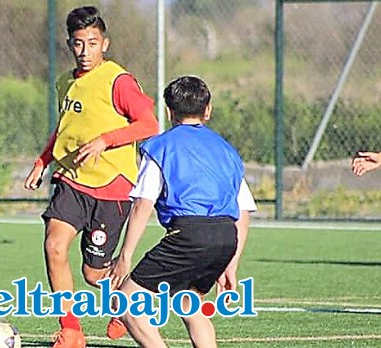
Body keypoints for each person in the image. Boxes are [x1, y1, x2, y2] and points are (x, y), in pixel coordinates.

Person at [23, 6, 158, 348]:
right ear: (69, 44)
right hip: (72, 181)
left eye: (92, 43)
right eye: (79, 44)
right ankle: (71, 331)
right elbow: (65, 126)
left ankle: (126, 302)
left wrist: (105, 140)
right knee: (54, 246)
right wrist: (43, 159)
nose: (85, 52)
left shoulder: (118, 81)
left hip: (112, 187)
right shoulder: (64, 82)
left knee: (93, 273)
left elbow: (149, 124)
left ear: (105, 43)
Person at [109, 75, 255, 348]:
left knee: (124, 302)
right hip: (226, 235)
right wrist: (231, 263)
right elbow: (244, 210)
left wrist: (125, 257)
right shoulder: (227, 151)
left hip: (189, 234)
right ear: (207, 110)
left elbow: (143, 204)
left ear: (168, 112)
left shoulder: (160, 146)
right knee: (189, 303)